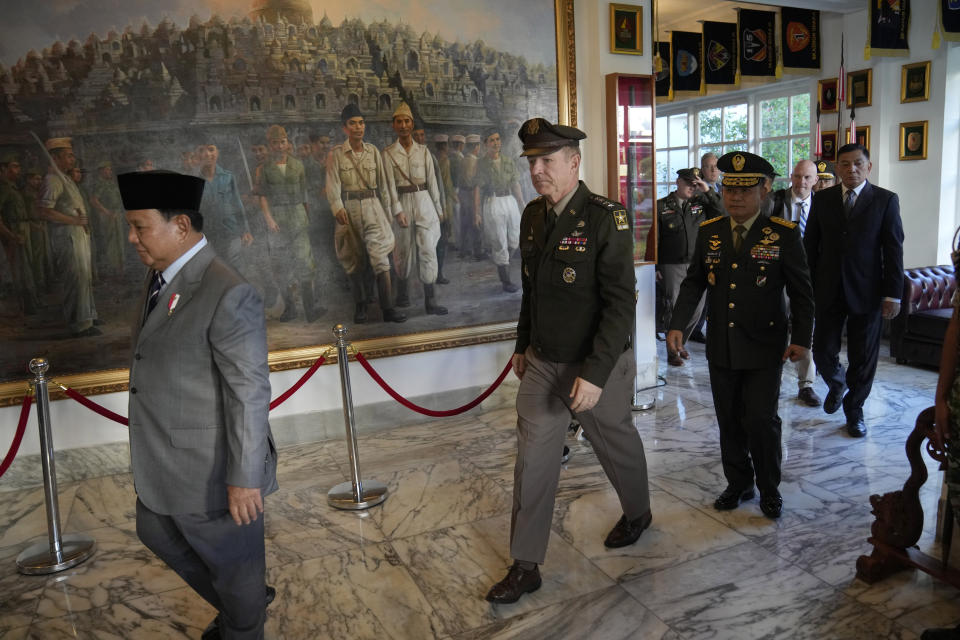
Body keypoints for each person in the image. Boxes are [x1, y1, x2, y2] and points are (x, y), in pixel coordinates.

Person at [486, 118, 651, 605]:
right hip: (543, 362)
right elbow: (531, 293)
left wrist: (595, 375)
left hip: (594, 364)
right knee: (532, 463)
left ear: (573, 162)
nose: (536, 170)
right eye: (531, 161)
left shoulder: (606, 218)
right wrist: (522, 344)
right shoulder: (533, 216)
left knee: (613, 443)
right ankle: (526, 564)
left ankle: (638, 512)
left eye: (546, 161)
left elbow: (621, 304)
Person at [118, 170, 278, 640]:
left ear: (180, 226)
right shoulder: (160, 277)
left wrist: (244, 478)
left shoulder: (228, 290)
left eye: (140, 226)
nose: (132, 238)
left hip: (214, 469)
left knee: (236, 571)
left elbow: (249, 391)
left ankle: (243, 622)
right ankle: (239, 609)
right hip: (167, 461)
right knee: (155, 529)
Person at [667, 151, 814, 519]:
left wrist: (803, 340)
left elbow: (802, 292)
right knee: (729, 419)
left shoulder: (782, 235)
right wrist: (677, 325)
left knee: (762, 421)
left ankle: (768, 488)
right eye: (729, 188)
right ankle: (739, 483)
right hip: (722, 345)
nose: (734, 196)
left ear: (764, 189)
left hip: (765, 346)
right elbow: (694, 282)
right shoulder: (711, 231)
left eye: (744, 189)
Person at [804, 143, 904, 438]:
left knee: (864, 357)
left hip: (868, 291)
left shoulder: (885, 200)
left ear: (868, 166)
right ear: (837, 168)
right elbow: (810, 246)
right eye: (845, 164)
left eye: (858, 163)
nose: (851, 169)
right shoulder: (822, 200)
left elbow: (894, 248)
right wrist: (805, 288)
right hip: (828, 289)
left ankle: (854, 410)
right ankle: (837, 382)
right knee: (822, 350)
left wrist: (893, 294)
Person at [326, 103, 406, 324]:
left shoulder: (373, 152)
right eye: (353, 124)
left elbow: (385, 186)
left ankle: (388, 308)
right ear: (345, 128)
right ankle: (360, 306)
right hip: (349, 209)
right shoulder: (337, 155)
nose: (358, 127)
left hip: (372, 206)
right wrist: (338, 208)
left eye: (361, 123)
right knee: (354, 260)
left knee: (380, 258)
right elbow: (332, 185)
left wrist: (389, 213)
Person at [761, 159, 822, 408]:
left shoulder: (822, 207)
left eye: (807, 178)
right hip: (776, 276)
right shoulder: (774, 201)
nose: (801, 182)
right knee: (773, 326)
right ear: (791, 177)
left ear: (815, 181)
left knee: (805, 327)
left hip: (808, 277)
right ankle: (768, 379)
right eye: (797, 177)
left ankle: (806, 385)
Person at [382, 103, 447, 315]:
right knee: (402, 252)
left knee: (428, 248)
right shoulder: (389, 154)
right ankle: (403, 294)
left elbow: (433, 182)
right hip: (402, 202)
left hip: (423, 201)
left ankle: (431, 300)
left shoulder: (424, 151)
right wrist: (397, 211)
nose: (403, 125)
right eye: (399, 121)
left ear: (411, 124)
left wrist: (438, 208)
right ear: (393, 125)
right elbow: (388, 187)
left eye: (407, 121)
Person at [655, 167, 723, 366]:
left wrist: (707, 190)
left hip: (697, 263)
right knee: (674, 307)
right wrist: (656, 266)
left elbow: (721, 211)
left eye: (695, 184)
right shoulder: (662, 205)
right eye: (688, 183)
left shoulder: (701, 203)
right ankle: (672, 352)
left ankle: (679, 343)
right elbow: (655, 238)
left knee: (697, 308)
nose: (692, 188)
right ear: (678, 182)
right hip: (672, 264)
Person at [258, 125, 325, 323]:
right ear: (270, 146)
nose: (279, 146)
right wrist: (269, 218)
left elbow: (304, 195)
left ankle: (310, 309)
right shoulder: (265, 169)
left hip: (297, 217)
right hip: (277, 219)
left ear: (288, 143)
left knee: (305, 261)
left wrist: (307, 216)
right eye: (275, 143)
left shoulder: (298, 165)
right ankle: (290, 309)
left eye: (282, 142)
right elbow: (263, 197)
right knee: (281, 264)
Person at [36, 137, 99, 337]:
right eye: (68, 155)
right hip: (67, 236)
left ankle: (88, 317)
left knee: (84, 276)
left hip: (78, 234)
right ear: (55, 157)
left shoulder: (65, 178)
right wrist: (74, 222)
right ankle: (78, 324)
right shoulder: (52, 180)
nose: (73, 159)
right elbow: (44, 211)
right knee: (75, 277)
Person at [197, 144, 254, 269]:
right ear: (197, 154)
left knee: (235, 270)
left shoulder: (228, 177)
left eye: (211, 149)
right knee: (215, 271)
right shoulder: (193, 180)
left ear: (217, 152)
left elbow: (237, 204)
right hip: (208, 236)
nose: (207, 154)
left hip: (231, 231)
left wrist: (245, 230)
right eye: (202, 150)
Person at [0, 152, 39, 316]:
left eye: (18, 166)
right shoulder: (4, 189)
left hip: (23, 230)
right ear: (3, 169)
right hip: (15, 232)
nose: (18, 170)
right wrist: (11, 236)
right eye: (14, 167)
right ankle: (25, 307)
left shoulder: (13, 188)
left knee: (28, 269)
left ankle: (31, 305)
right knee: (20, 271)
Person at [89, 160, 128, 279]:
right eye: (107, 169)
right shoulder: (99, 184)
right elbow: (94, 200)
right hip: (108, 217)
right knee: (111, 244)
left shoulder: (110, 183)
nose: (110, 171)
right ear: (101, 171)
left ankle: (120, 269)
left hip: (116, 215)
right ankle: (113, 271)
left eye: (110, 169)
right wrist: (107, 213)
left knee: (119, 242)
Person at [458, 134, 483, 261]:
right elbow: (476, 183)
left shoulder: (463, 159)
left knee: (464, 223)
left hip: (462, 194)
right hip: (472, 193)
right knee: (475, 221)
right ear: (476, 147)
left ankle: (463, 250)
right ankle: (477, 252)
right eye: (478, 146)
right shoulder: (476, 161)